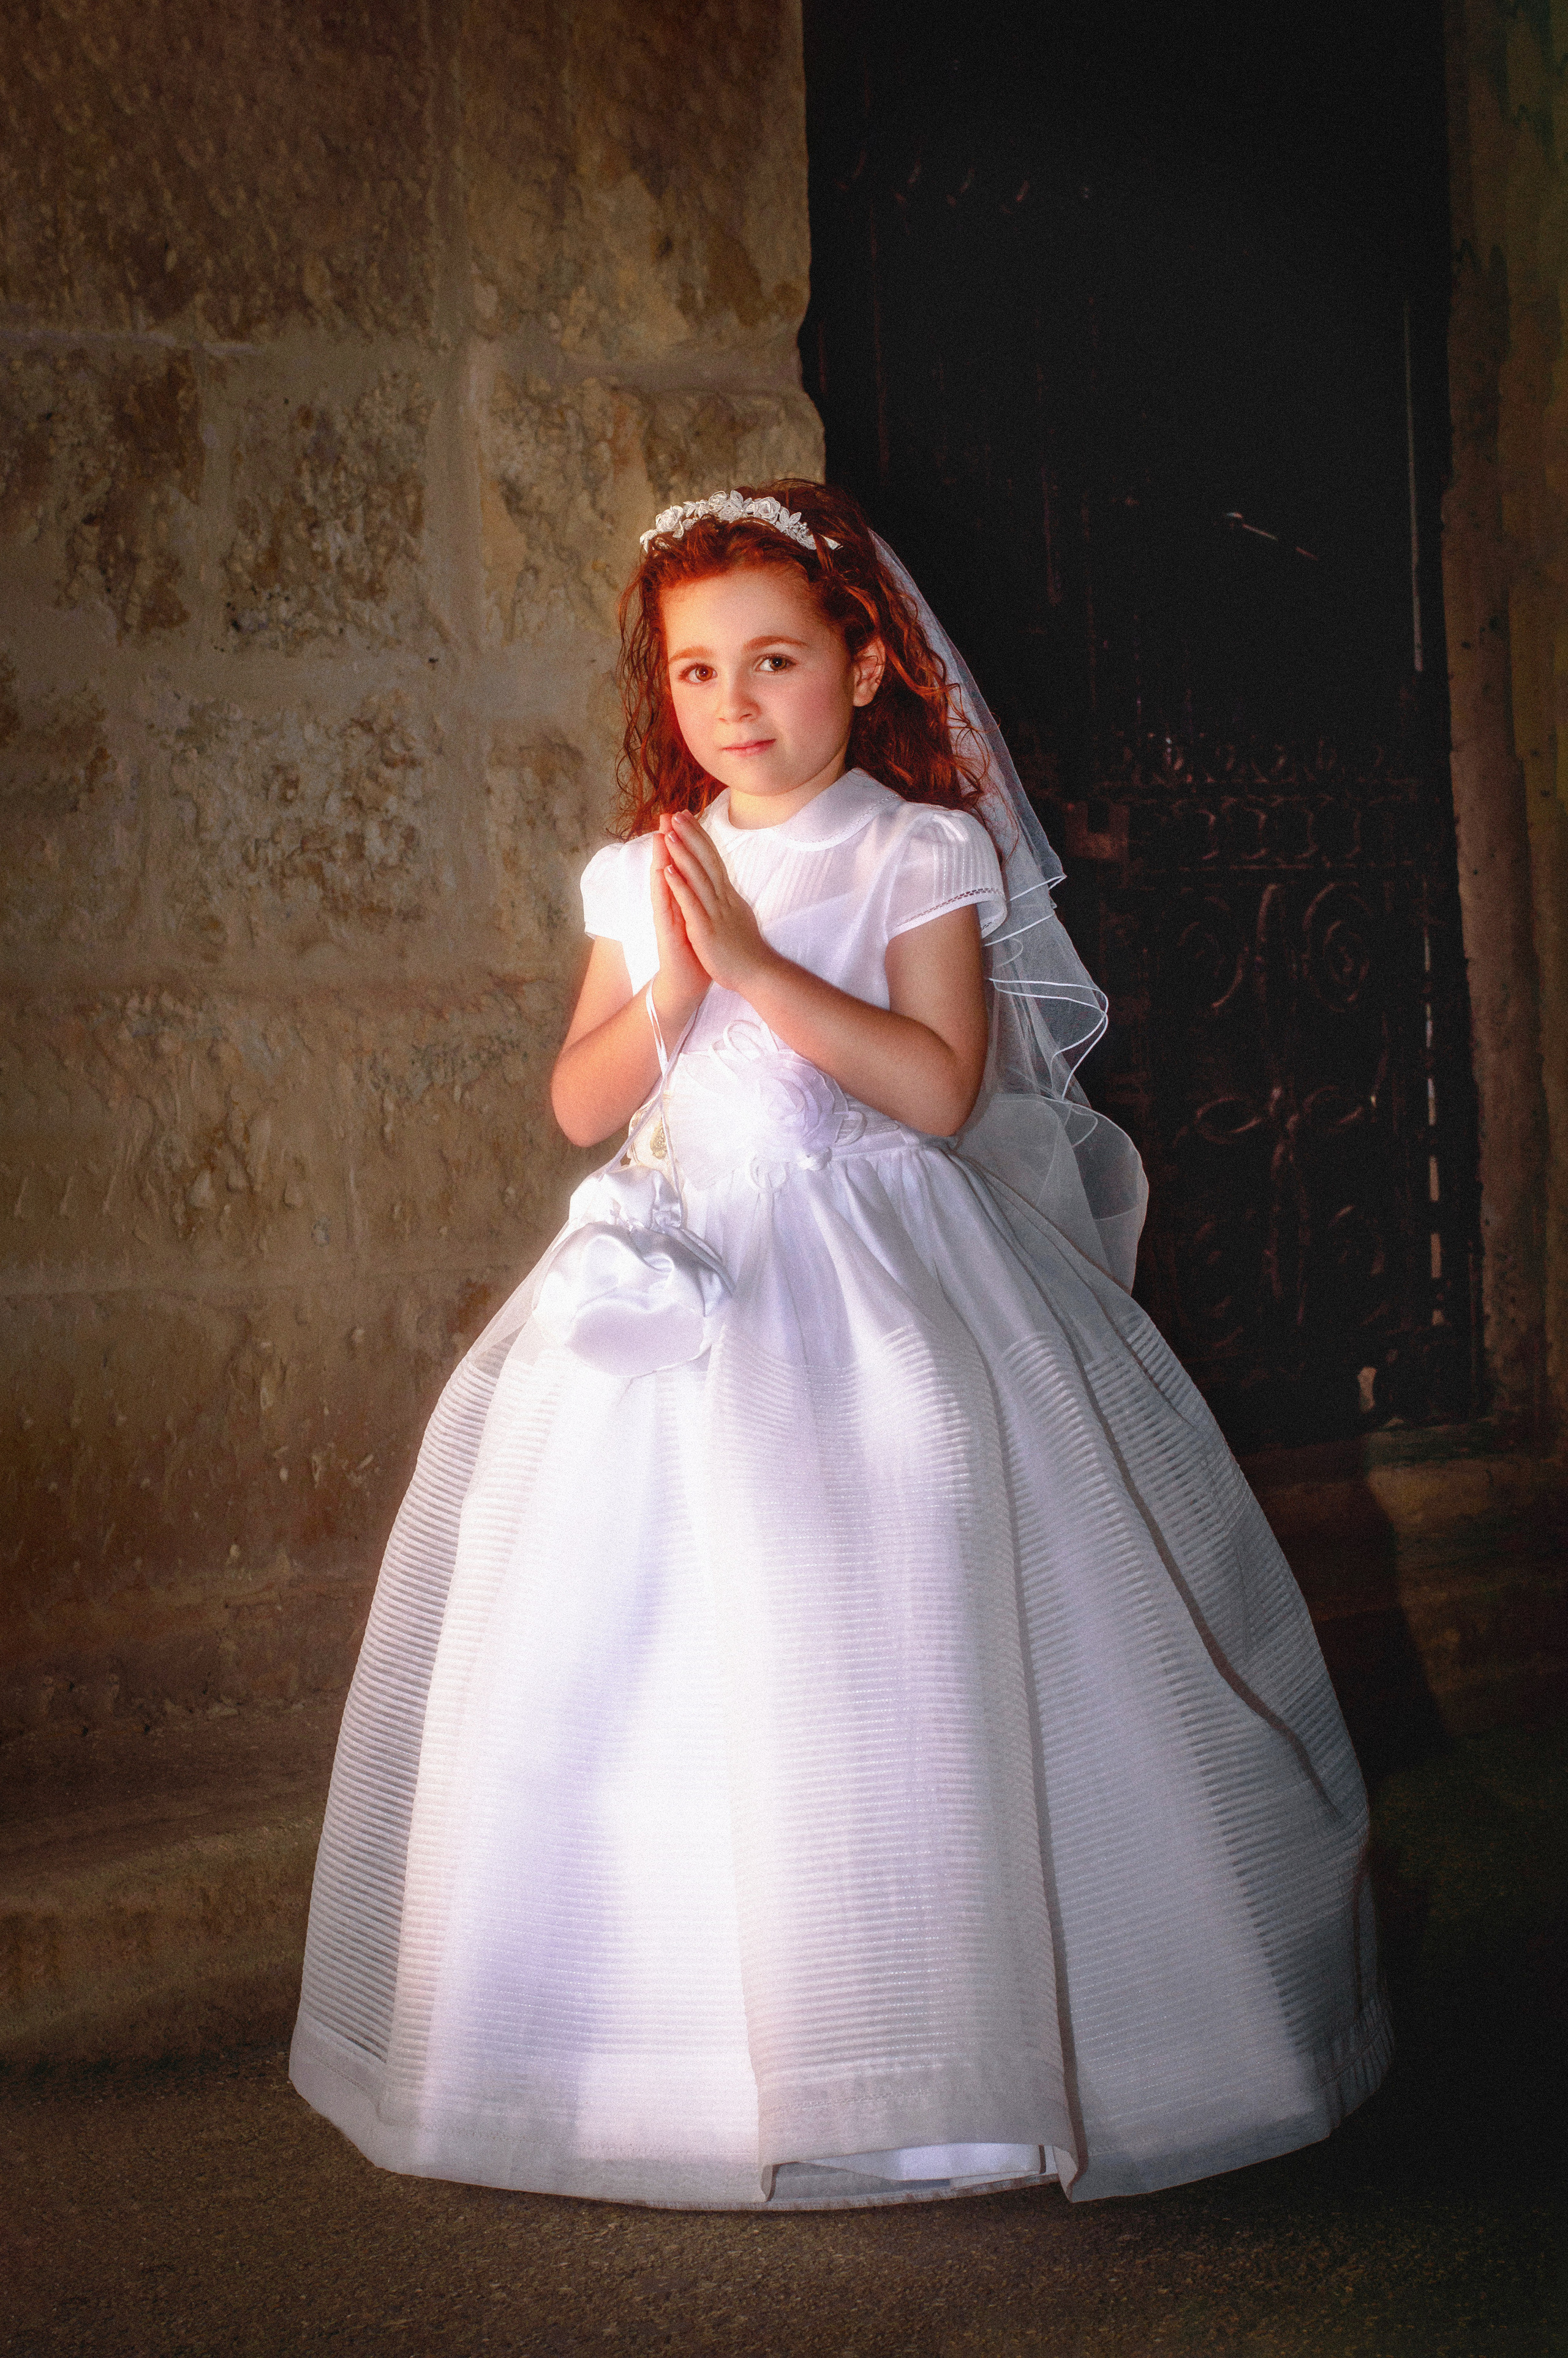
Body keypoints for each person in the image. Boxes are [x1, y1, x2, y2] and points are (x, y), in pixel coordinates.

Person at [290, 480, 1389, 2210]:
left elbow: (940, 1086)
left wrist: (756, 970)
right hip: (685, 1271)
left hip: (877, 1267)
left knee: (882, 1618)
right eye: (700, 672)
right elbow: (584, 1101)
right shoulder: (641, 871)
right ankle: (637, 2063)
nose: (737, 704)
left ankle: (945, 2039)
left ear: (864, 663)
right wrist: (676, 975)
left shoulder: (911, 849)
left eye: (778, 660)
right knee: (641, 1632)